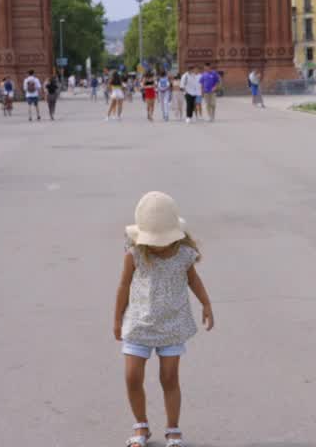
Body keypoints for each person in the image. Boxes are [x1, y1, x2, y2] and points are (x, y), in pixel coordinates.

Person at [114, 191, 214, 447]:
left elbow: (193, 280)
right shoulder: (135, 253)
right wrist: (117, 319)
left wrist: (206, 303)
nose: (159, 245)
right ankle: (141, 426)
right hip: (138, 324)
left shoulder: (183, 254)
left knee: (169, 378)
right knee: (132, 376)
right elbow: (124, 285)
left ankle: (172, 428)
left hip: (172, 324)